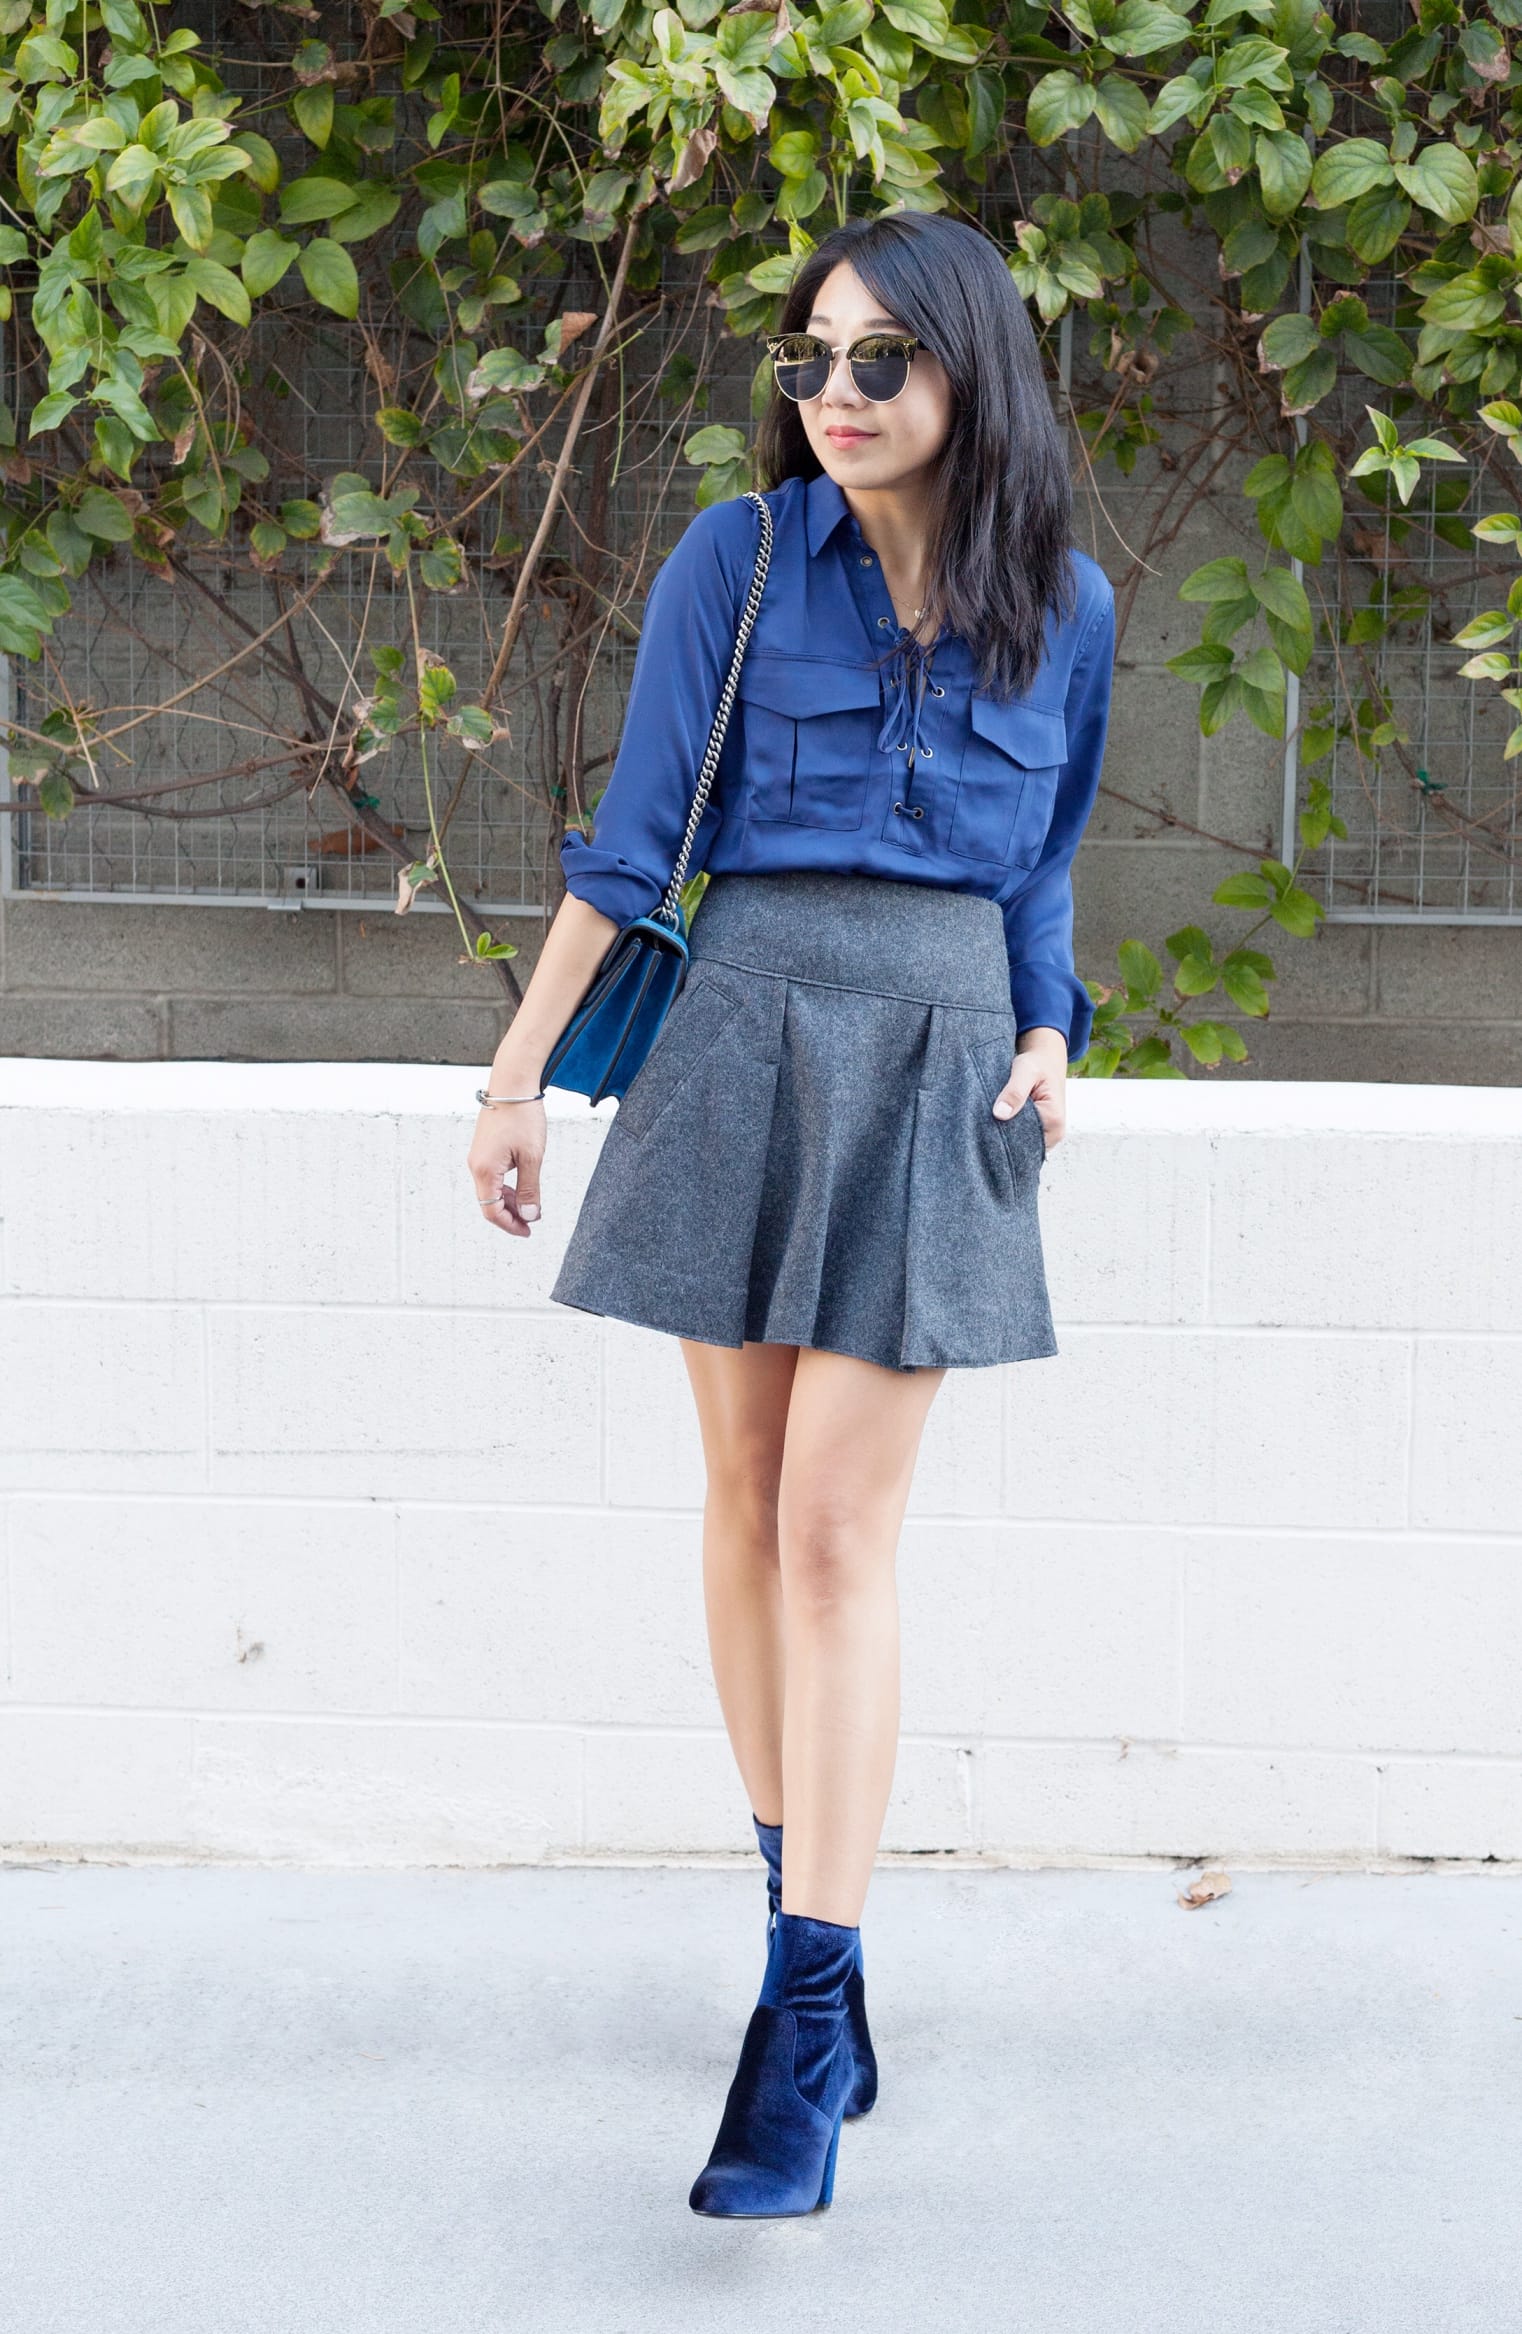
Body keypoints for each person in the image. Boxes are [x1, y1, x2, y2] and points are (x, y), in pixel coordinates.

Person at [466, 210, 1116, 2219]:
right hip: (738, 1033)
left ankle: (800, 2014)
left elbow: (1045, 855)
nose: (830, 396)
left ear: (967, 376)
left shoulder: (1062, 604)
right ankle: (796, 1917)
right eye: (809, 358)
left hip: (932, 1063)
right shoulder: (732, 564)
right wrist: (517, 1073)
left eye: (878, 362)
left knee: (839, 1523)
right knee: (746, 1502)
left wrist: (1048, 1024)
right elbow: (635, 833)